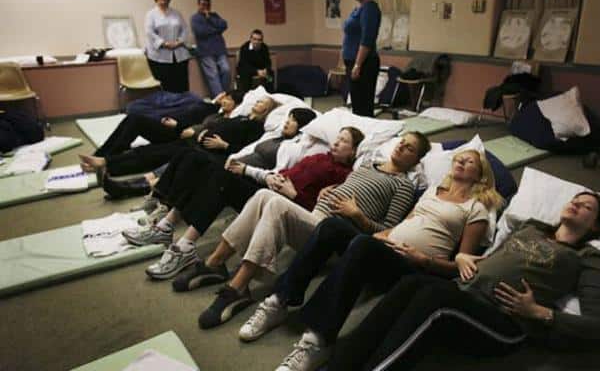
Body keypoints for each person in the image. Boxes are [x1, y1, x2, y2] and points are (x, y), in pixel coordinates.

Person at [244, 150, 504, 371]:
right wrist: (381, 236)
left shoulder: (477, 208)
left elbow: (461, 265)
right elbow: (404, 225)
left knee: (363, 244)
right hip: (386, 249)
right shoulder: (433, 192)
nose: (461, 161)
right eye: (458, 158)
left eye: (469, 161)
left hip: (415, 267)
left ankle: (318, 340)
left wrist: (424, 259)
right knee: (332, 226)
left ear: (480, 174)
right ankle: (280, 300)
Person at [326, 192, 600, 371]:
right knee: (413, 283)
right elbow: (488, 262)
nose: (576, 203)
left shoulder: (586, 257)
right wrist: (462, 258)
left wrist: (539, 312)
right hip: (463, 291)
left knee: (436, 299)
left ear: (595, 225)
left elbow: (597, 325)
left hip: (504, 323)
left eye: (587, 206)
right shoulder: (531, 229)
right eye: (575, 199)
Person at [192, 132, 431, 330]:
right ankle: (216, 262)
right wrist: (324, 193)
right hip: (315, 216)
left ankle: (237, 288)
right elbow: (346, 189)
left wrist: (357, 215)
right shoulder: (368, 165)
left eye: (409, 148)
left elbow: (388, 231)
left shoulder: (403, 185)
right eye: (402, 142)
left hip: (336, 236)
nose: (402, 147)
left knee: (274, 204)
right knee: (263, 194)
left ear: (416, 160)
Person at [127, 111, 349, 281]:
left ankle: (185, 246)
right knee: (197, 160)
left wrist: (292, 194)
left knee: (221, 180)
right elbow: (280, 172)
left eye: (343, 141)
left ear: (355, 151)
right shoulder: (316, 156)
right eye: (336, 139)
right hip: (266, 185)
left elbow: (316, 213)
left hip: (283, 202)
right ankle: (166, 226)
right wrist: (264, 174)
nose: (336, 143)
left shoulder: (343, 175)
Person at [78, 96, 277, 178]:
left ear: (267, 111)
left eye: (262, 103)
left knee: (151, 152)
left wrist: (224, 145)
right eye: (257, 100)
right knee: (141, 132)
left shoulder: (255, 128)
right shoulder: (238, 117)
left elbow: (245, 150)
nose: (256, 103)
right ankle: (103, 159)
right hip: (187, 136)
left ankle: (107, 163)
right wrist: (186, 128)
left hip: (198, 147)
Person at [343, 0, 381, 117]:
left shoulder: (370, 9)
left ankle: (364, 130)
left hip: (364, 63)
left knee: (362, 107)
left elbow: (367, 40)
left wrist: (357, 65)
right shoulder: (359, 9)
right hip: (353, 62)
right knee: (357, 105)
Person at [145, 0, 191, 93]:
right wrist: (164, 43)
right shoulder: (151, 14)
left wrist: (179, 42)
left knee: (181, 85)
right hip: (160, 56)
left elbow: (185, 29)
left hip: (179, 55)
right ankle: (168, 103)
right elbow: (149, 32)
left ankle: (182, 103)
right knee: (166, 86)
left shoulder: (176, 13)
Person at [191, 0, 231, 97]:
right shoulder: (195, 18)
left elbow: (224, 25)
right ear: (198, 5)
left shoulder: (214, 16)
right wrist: (216, 30)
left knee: (226, 70)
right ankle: (221, 99)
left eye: (207, 5)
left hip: (220, 50)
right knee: (213, 74)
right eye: (203, 4)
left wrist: (210, 19)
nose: (205, 7)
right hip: (205, 51)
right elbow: (200, 32)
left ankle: (224, 95)